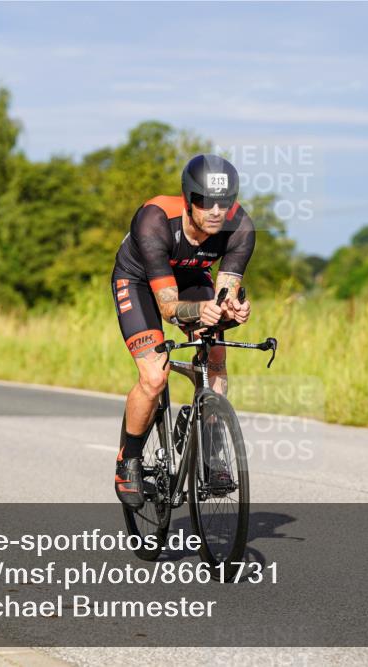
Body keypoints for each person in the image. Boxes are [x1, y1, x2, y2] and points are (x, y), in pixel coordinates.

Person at [111, 154, 256, 509]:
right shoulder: (155, 219)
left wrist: (231, 309)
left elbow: (225, 290)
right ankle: (128, 460)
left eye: (225, 201)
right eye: (206, 202)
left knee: (215, 358)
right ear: (188, 199)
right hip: (140, 281)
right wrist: (199, 311)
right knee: (154, 377)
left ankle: (208, 441)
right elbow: (168, 308)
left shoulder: (241, 227)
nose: (217, 211)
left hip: (192, 277)